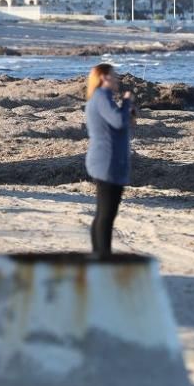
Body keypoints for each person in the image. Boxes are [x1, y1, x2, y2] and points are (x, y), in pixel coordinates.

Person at [84, 63, 135, 258]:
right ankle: (102, 256)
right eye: (114, 75)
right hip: (106, 163)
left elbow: (119, 124)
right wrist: (127, 102)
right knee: (106, 214)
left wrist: (126, 111)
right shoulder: (101, 97)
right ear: (104, 77)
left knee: (103, 213)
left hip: (107, 161)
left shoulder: (101, 98)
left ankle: (98, 254)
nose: (117, 79)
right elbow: (118, 121)